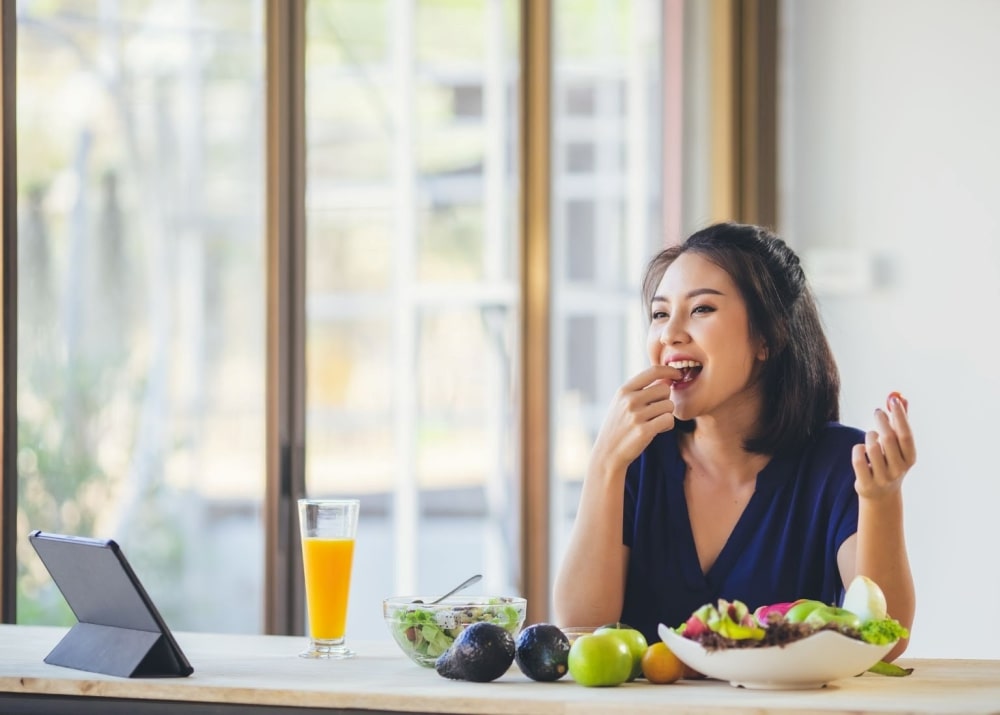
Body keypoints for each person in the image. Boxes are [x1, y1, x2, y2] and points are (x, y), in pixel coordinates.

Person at [553, 222, 916, 661]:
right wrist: (604, 464)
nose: (669, 334)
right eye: (660, 314)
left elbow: (885, 642)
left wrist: (881, 498)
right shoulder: (637, 459)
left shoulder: (838, 464)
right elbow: (580, 630)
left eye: (701, 309)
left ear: (768, 336)